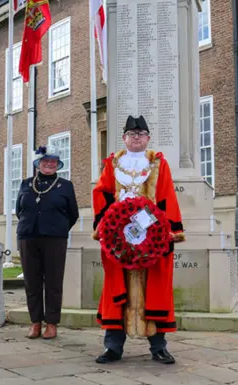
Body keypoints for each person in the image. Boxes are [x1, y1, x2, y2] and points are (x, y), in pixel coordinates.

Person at [92, 115, 185, 365]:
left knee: (155, 288)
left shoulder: (157, 163)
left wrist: (169, 231)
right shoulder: (112, 164)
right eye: (132, 134)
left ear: (148, 138)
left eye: (141, 134)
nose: (136, 137)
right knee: (116, 287)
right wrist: (105, 224)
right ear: (124, 138)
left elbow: (166, 196)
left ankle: (158, 346)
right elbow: (102, 193)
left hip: (152, 234)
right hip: (118, 238)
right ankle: (113, 346)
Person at [16, 145, 79, 340]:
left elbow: (73, 214)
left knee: (53, 281)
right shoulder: (26, 184)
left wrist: (58, 228)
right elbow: (19, 210)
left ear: (57, 165)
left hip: (54, 238)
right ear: (38, 164)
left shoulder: (65, 186)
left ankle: (51, 323)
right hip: (28, 236)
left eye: (53, 162)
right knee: (31, 281)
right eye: (45, 162)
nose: (49, 165)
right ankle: (35, 322)